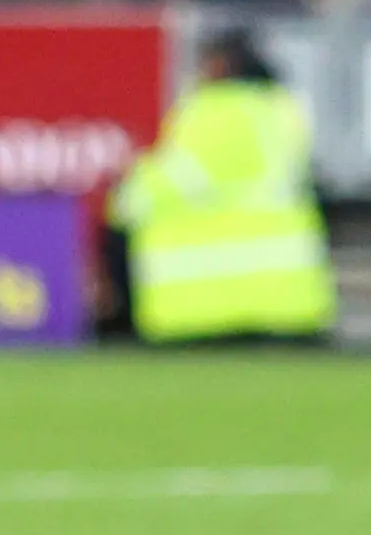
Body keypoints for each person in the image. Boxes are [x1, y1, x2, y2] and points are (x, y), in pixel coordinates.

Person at [106, 31, 335, 343]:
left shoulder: (213, 112)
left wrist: (125, 191)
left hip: (201, 309)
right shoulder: (283, 110)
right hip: (291, 301)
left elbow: (168, 183)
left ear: (223, 65)